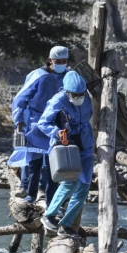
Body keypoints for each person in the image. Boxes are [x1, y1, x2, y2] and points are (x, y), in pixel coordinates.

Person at [7, 46, 69, 205]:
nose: (61, 64)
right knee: (34, 163)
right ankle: (31, 194)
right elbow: (20, 99)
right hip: (35, 123)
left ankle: (51, 201)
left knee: (52, 165)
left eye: (64, 61)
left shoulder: (68, 76)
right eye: (58, 61)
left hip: (54, 124)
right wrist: (19, 119)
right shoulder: (38, 76)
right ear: (50, 61)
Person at [39, 71, 94, 238]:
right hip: (66, 144)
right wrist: (57, 132)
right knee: (69, 183)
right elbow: (43, 123)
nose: (79, 97)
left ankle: (66, 225)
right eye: (75, 94)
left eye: (81, 94)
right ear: (67, 92)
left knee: (84, 187)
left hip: (85, 144)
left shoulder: (86, 98)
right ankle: (49, 215)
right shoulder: (58, 100)